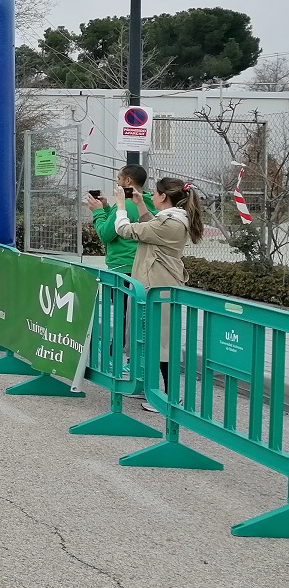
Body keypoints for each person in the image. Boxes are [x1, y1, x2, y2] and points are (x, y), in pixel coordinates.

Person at [112, 176, 204, 413]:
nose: (150, 197)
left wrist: (121, 205)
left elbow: (124, 229)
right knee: (148, 339)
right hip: (153, 284)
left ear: (164, 197)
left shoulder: (171, 223)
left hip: (159, 287)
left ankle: (170, 397)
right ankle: (150, 389)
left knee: (162, 343)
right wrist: (139, 202)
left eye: (154, 193)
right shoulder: (168, 220)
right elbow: (150, 223)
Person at [85, 164, 155, 275]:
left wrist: (97, 211)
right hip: (143, 265)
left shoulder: (126, 204)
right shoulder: (150, 203)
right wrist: (106, 207)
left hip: (123, 266)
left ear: (128, 181)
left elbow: (105, 234)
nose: (116, 182)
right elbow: (116, 224)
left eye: (118, 178)